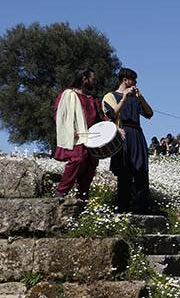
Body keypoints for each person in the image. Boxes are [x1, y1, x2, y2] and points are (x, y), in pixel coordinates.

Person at [102, 67, 154, 214]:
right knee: (124, 171)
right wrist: (124, 98)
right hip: (122, 134)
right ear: (126, 80)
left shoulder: (136, 98)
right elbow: (111, 115)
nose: (135, 83)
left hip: (137, 134)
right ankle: (123, 206)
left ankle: (142, 207)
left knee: (141, 171)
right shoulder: (110, 96)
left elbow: (149, 113)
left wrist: (141, 98)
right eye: (133, 80)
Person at [52, 68, 103, 201]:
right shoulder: (68, 94)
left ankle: (83, 195)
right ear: (84, 79)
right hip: (76, 135)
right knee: (77, 159)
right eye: (92, 79)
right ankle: (61, 192)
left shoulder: (92, 98)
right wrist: (69, 129)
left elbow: (100, 117)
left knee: (91, 165)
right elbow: (60, 114)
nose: (94, 81)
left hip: (91, 136)